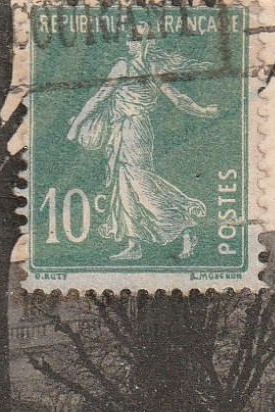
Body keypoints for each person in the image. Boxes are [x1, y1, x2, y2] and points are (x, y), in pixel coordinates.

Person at [67, 28, 217, 262]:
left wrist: (203, 111)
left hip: (136, 130)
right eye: (132, 40)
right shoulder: (123, 67)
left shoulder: (150, 68)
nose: (135, 44)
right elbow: (99, 97)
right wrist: (77, 124)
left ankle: (184, 223)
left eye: (139, 40)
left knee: (140, 184)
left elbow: (177, 98)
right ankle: (133, 244)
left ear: (149, 42)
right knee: (124, 184)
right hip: (120, 129)